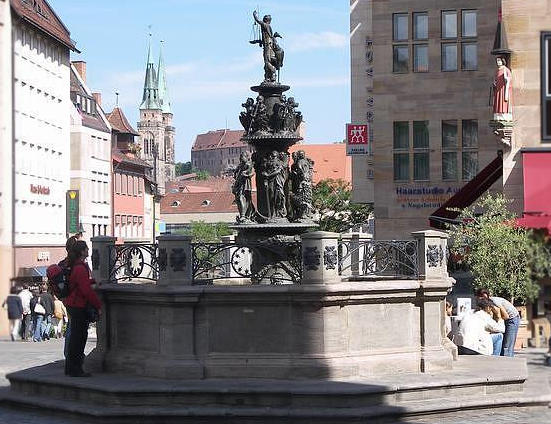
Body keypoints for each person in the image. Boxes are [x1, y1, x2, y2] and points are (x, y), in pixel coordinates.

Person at [63, 240, 102, 377]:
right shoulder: (80, 267)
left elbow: (81, 283)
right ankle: (76, 369)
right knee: (79, 338)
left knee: (76, 337)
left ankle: (70, 368)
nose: (88, 250)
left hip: (73, 304)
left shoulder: (77, 266)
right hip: (78, 305)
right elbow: (86, 290)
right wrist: (98, 306)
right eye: (86, 248)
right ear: (82, 251)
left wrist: (93, 281)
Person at [476, 289, 520, 357]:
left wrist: (497, 318)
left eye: (483, 296)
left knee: (507, 345)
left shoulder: (494, 302)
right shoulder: (484, 304)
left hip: (512, 319)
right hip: (505, 319)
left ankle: (508, 363)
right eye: (480, 297)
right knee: (501, 341)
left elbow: (506, 316)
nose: (482, 299)